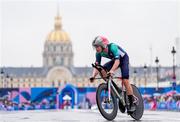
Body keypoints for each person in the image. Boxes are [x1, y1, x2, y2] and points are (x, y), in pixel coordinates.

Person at [89, 36, 136, 112]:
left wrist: (112, 71)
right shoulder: (98, 53)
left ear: (102, 45)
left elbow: (118, 61)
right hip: (115, 60)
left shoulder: (112, 47)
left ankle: (132, 103)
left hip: (123, 59)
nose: (96, 49)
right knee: (102, 69)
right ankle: (116, 90)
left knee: (125, 80)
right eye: (95, 47)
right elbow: (97, 66)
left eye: (97, 46)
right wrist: (93, 76)